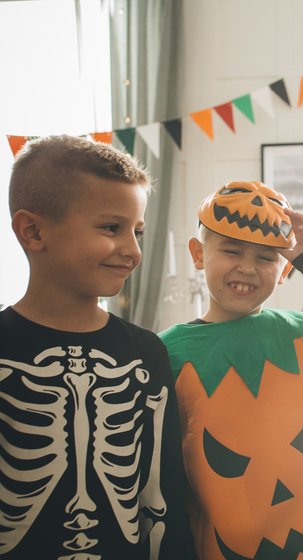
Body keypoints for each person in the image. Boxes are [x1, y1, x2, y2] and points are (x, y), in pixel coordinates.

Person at [158, 181, 303, 560]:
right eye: (231, 250)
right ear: (198, 253)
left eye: (266, 257)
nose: (247, 267)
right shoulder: (168, 353)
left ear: (284, 268)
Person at [0, 135, 195, 558]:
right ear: (32, 231)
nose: (133, 251)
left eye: (137, 231)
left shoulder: (146, 352)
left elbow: (166, 498)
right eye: (111, 227)